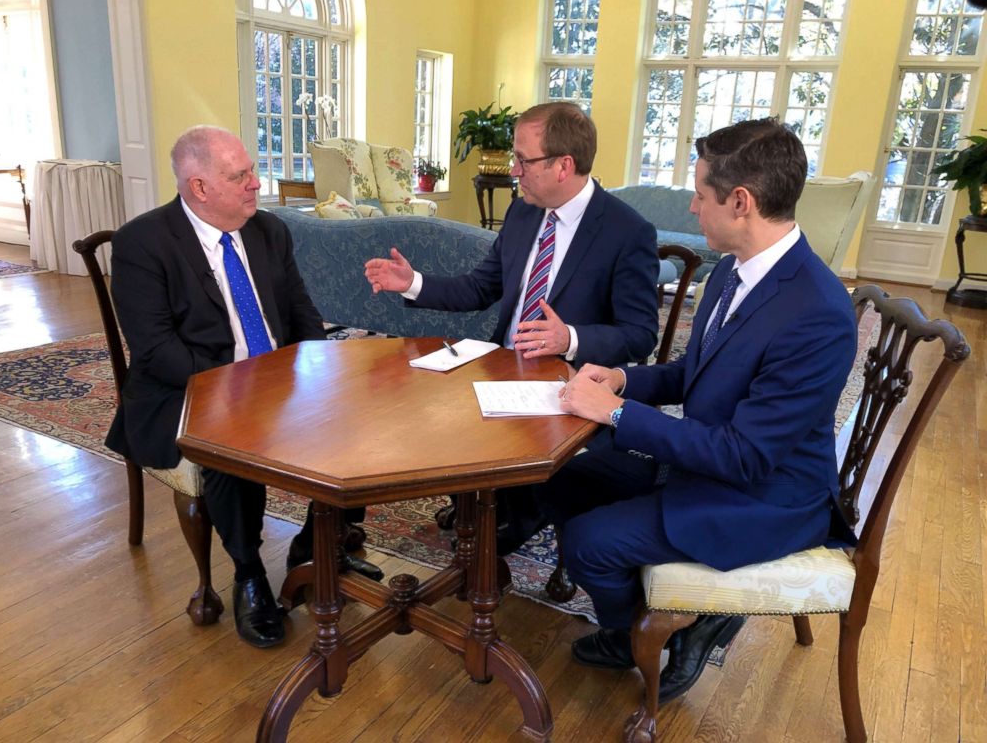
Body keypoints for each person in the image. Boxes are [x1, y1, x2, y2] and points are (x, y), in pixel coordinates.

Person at [543, 118, 858, 702]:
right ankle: (670, 609)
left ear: (741, 202)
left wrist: (614, 412)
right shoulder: (734, 271)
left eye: (699, 193)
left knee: (589, 541)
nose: (690, 207)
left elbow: (748, 457)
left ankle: (648, 631)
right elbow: (697, 372)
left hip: (765, 497)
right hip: (711, 457)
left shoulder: (817, 311)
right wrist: (622, 378)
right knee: (567, 477)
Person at [105, 125, 380, 650]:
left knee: (359, 413)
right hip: (184, 390)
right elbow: (157, 350)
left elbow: (301, 314)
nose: (257, 183)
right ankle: (249, 572)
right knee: (227, 443)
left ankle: (318, 543)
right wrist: (236, 390)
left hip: (271, 378)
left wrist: (319, 374)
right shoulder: (143, 243)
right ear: (200, 187)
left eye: (252, 170)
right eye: (242, 175)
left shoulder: (269, 231)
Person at [364, 101, 662, 550]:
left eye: (524, 159)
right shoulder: (524, 213)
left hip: (568, 382)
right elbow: (480, 288)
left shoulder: (627, 231)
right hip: (498, 367)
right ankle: (484, 505)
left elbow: (641, 334)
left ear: (564, 165)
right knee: (418, 410)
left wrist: (571, 338)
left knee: (503, 501)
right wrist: (414, 283)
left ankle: (511, 516)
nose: (514, 170)